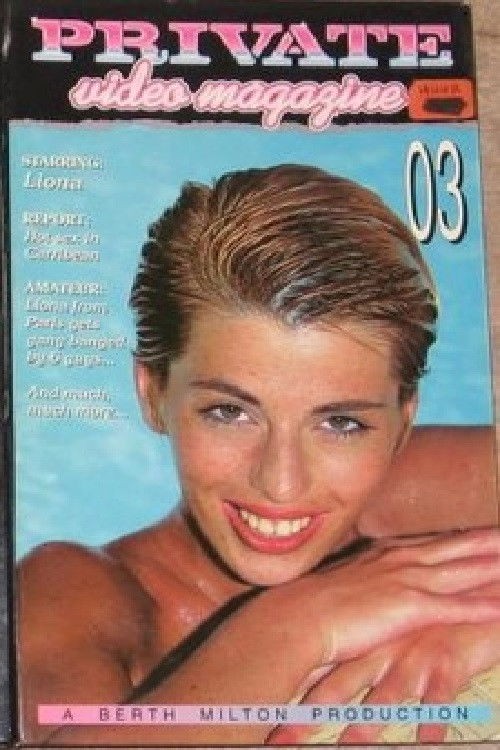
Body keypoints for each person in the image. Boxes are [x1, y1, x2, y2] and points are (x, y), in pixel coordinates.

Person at [18, 164, 500, 746]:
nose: (282, 483)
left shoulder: (401, 495)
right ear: (153, 393)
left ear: (403, 421)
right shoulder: (76, 589)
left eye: (341, 423)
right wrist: (298, 624)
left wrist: (486, 624)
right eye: (230, 412)